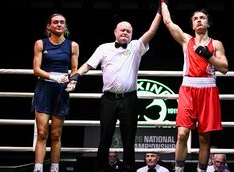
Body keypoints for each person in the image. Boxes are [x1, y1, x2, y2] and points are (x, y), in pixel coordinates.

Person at [65, 8, 162, 172]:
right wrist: (75, 76)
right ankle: (101, 168)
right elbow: (88, 64)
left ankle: (129, 169)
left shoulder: (136, 46)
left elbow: (152, 31)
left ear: (132, 34)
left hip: (129, 98)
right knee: (105, 137)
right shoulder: (104, 48)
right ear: (115, 32)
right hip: (108, 99)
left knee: (129, 138)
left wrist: (160, 11)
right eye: (122, 30)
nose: (125, 32)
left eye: (128, 31)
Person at [161, 1, 229, 172]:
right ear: (192, 24)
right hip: (188, 89)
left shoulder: (216, 44)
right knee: (182, 134)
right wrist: (163, 3)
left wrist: (208, 55)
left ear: (208, 23)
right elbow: (168, 22)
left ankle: (202, 170)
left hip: (208, 90)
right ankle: (178, 170)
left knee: (204, 138)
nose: (199, 20)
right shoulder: (186, 40)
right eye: (196, 18)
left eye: (202, 18)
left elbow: (224, 68)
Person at [32, 13, 79, 172]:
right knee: (42, 132)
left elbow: (74, 69)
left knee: (56, 134)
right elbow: (36, 69)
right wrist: (53, 76)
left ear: (65, 26)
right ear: (49, 26)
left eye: (62, 22)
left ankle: (54, 168)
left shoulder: (73, 45)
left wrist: (73, 81)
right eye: (56, 22)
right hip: (44, 88)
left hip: (61, 91)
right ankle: (38, 168)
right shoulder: (40, 43)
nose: (59, 24)